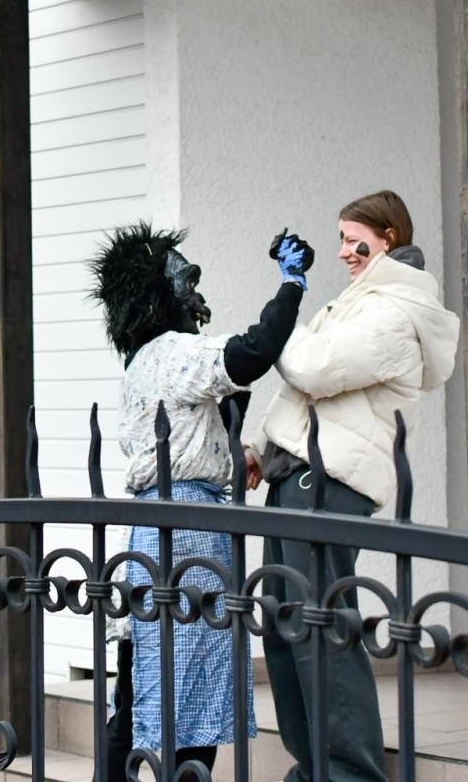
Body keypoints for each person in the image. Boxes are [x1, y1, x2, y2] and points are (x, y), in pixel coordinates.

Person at [88, 222, 314, 780]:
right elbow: (252, 353)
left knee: (141, 677)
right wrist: (292, 286)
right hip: (186, 527)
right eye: (186, 279)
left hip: (154, 526)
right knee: (192, 689)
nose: (197, 289)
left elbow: (229, 393)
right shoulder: (173, 352)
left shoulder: (145, 361)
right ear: (160, 295)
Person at [249, 191, 460, 782]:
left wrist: (281, 320)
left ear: (388, 236)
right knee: (284, 622)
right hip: (299, 473)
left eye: (353, 239)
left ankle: (351, 774)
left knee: (320, 626)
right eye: (340, 239)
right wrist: (264, 452)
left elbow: (315, 369)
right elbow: (303, 390)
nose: (343, 251)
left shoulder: (397, 311)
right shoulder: (359, 301)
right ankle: (313, 766)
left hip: (332, 481)